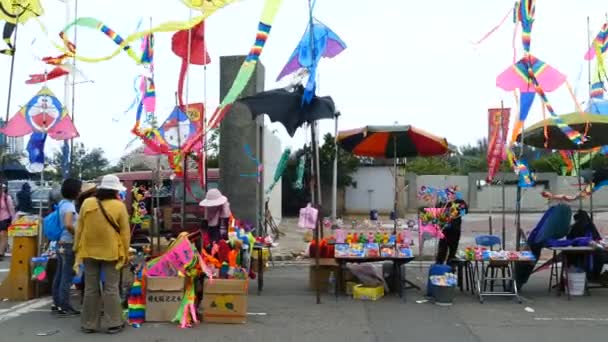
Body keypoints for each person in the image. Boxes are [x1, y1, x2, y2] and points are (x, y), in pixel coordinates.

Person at [75, 174, 130, 334]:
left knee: (91, 288)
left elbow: (80, 228)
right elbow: (125, 233)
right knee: (111, 288)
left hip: (88, 250)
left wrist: (77, 248)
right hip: (111, 251)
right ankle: (114, 323)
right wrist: (125, 253)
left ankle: (88, 324)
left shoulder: (87, 202)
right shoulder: (119, 206)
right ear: (115, 190)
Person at [51, 178, 82, 316]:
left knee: (59, 274)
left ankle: (57, 302)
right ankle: (64, 305)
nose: (81, 191)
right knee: (67, 276)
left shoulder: (62, 203)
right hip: (68, 243)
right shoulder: (69, 206)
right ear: (74, 191)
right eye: (79, 189)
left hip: (60, 243)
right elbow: (68, 224)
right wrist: (76, 235)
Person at [435, 198, 468, 266]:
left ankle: (450, 268)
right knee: (442, 251)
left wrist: (458, 206)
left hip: (455, 231)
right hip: (444, 231)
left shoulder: (459, 201)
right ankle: (439, 267)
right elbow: (437, 211)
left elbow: (465, 210)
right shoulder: (444, 201)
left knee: (453, 252)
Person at [0, 184, 15, 261]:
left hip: (4, 219)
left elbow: (11, 209)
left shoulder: (6, 198)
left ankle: (1, 253)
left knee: (3, 235)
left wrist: (13, 220)